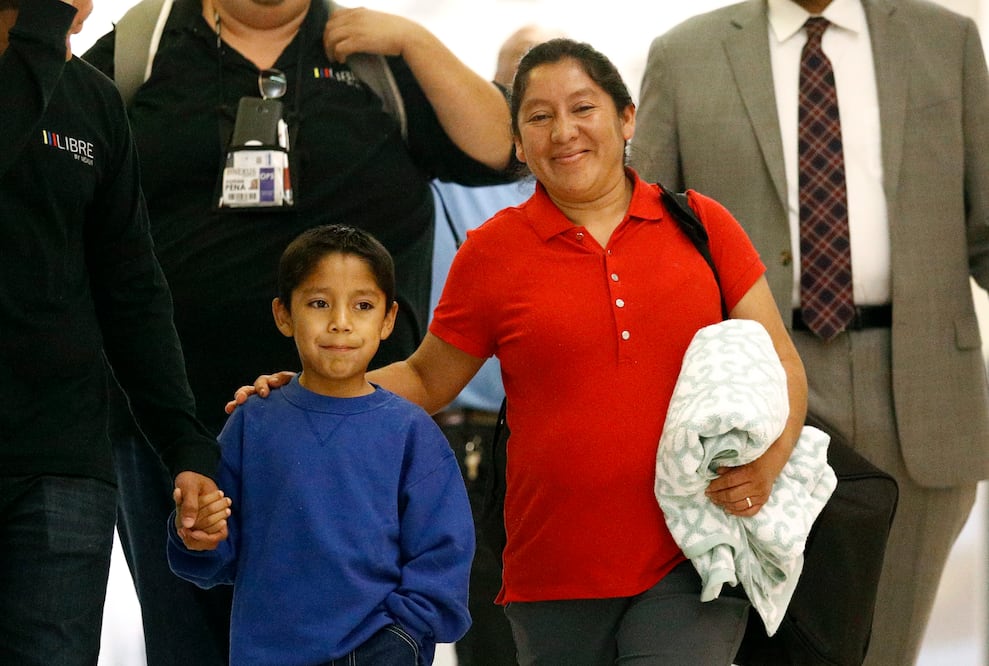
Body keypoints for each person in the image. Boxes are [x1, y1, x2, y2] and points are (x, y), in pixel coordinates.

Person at [234, 38, 809, 664]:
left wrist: (770, 461)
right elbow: (428, 378)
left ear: (626, 118)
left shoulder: (702, 226)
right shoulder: (493, 252)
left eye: (582, 108)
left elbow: (781, 361)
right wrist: (307, 391)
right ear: (517, 142)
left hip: (693, 554)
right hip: (551, 570)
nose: (563, 131)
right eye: (538, 116)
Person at [82, 1, 515, 662]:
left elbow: (501, 150)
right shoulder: (146, 42)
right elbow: (47, 154)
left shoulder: (374, 55)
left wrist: (416, 42)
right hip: (169, 429)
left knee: (361, 639)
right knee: (187, 641)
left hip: (356, 433)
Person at [632, 1, 989, 664]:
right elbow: (642, 237)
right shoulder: (684, 55)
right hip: (751, 386)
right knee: (767, 640)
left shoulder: (948, 41)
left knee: (884, 643)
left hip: (917, 386)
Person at [0, 0, 226, 663]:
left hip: (63, 457)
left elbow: (131, 287)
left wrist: (181, 440)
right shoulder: (47, 64)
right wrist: (41, 33)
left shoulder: (92, 102)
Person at [168, 224, 474, 665]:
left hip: (381, 652)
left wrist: (402, 638)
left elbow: (444, 553)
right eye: (318, 303)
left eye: (363, 305)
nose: (340, 322)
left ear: (388, 319)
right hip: (267, 654)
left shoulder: (412, 432)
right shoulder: (252, 421)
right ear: (283, 314)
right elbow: (213, 547)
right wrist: (196, 532)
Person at [429, 23, 562, 666]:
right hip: (469, 436)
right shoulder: (447, 178)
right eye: (512, 87)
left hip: (565, 437)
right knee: (485, 629)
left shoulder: (594, 191)